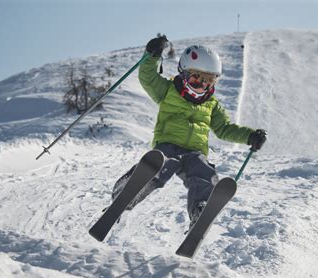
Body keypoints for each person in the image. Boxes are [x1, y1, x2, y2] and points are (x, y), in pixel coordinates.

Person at [111, 36, 267, 228]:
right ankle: (126, 193)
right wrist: (151, 56)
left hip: (195, 152)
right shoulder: (168, 90)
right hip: (167, 145)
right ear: (183, 73)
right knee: (159, 166)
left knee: (204, 174)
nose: (202, 86)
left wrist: (249, 136)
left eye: (209, 81)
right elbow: (148, 77)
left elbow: (224, 128)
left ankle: (200, 209)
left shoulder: (212, 105)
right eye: (196, 79)